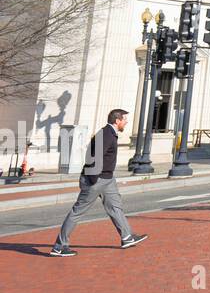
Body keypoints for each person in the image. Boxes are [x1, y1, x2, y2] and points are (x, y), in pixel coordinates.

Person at [50, 108, 148, 256]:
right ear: (117, 121)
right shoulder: (106, 134)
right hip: (96, 180)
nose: (126, 122)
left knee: (115, 206)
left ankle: (127, 237)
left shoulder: (111, 134)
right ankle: (59, 246)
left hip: (107, 179)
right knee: (77, 212)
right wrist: (93, 179)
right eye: (124, 120)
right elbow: (94, 156)